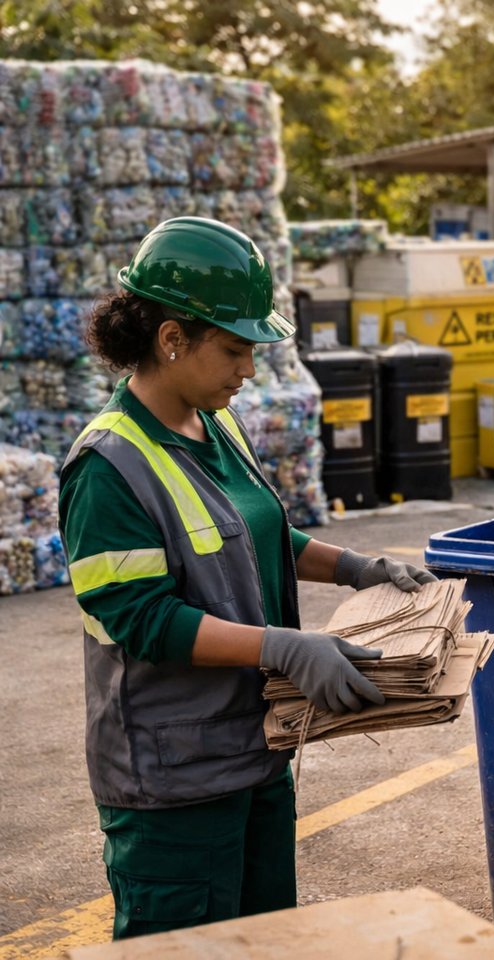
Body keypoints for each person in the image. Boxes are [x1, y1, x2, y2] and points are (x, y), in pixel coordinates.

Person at [58, 216, 437, 939]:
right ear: (172, 339)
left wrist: (356, 568)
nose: (249, 370)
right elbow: (140, 617)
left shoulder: (214, 423)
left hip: (256, 751)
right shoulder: (109, 467)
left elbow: (255, 532)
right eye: (234, 349)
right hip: (175, 781)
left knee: (266, 942)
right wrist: (281, 646)